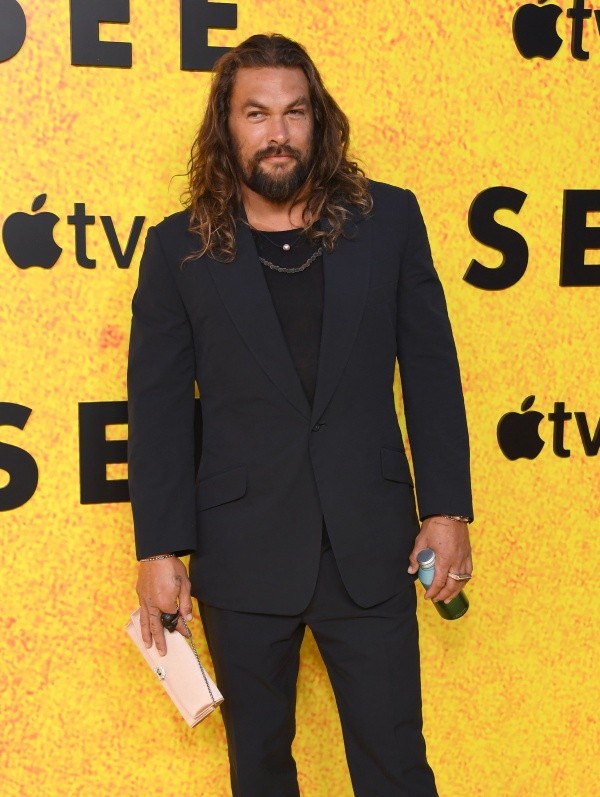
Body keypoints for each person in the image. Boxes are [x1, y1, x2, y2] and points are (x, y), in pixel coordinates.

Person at [128, 33, 473, 797]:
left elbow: (431, 371)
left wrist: (447, 509)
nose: (277, 132)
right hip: (241, 554)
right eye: (256, 113)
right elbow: (157, 409)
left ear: (319, 120)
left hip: (371, 547)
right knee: (259, 772)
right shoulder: (178, 248)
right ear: (227, 127)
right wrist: (159, 547)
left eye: (294, 112)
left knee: (397, 767)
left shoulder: (390, 221)